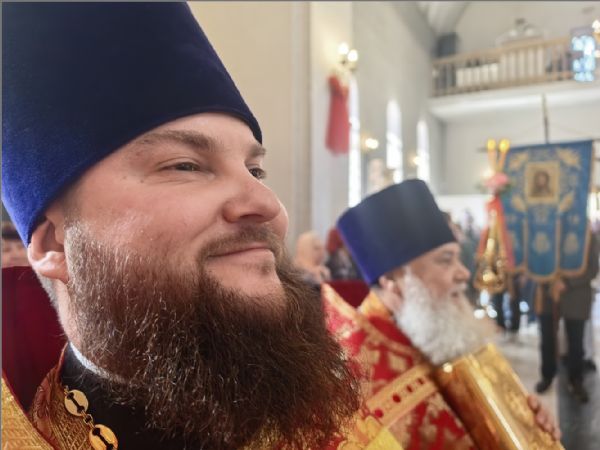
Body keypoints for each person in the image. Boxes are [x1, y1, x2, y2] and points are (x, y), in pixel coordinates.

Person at [2, 4, 361, 449]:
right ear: (55, 244)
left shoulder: (342, 428)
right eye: (185, 165)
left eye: (256, 170)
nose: (268, 205)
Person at [328, 179, 560, 448]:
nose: (464, 272)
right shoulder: (350, 377)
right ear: (392, 279)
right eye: (446, 260)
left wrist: (524, 424)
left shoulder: (436, 332)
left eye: (458, 258)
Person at [535, 232, 599, 402]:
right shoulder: (547, 228)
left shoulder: (587, 233)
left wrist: (566, 283)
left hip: (576, 295)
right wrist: (550, 281)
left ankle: (576, 380)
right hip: (548, 292)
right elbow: (538, 258)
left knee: (576, 342)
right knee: (547, 338)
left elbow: (592, 268)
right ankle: (547, 375)